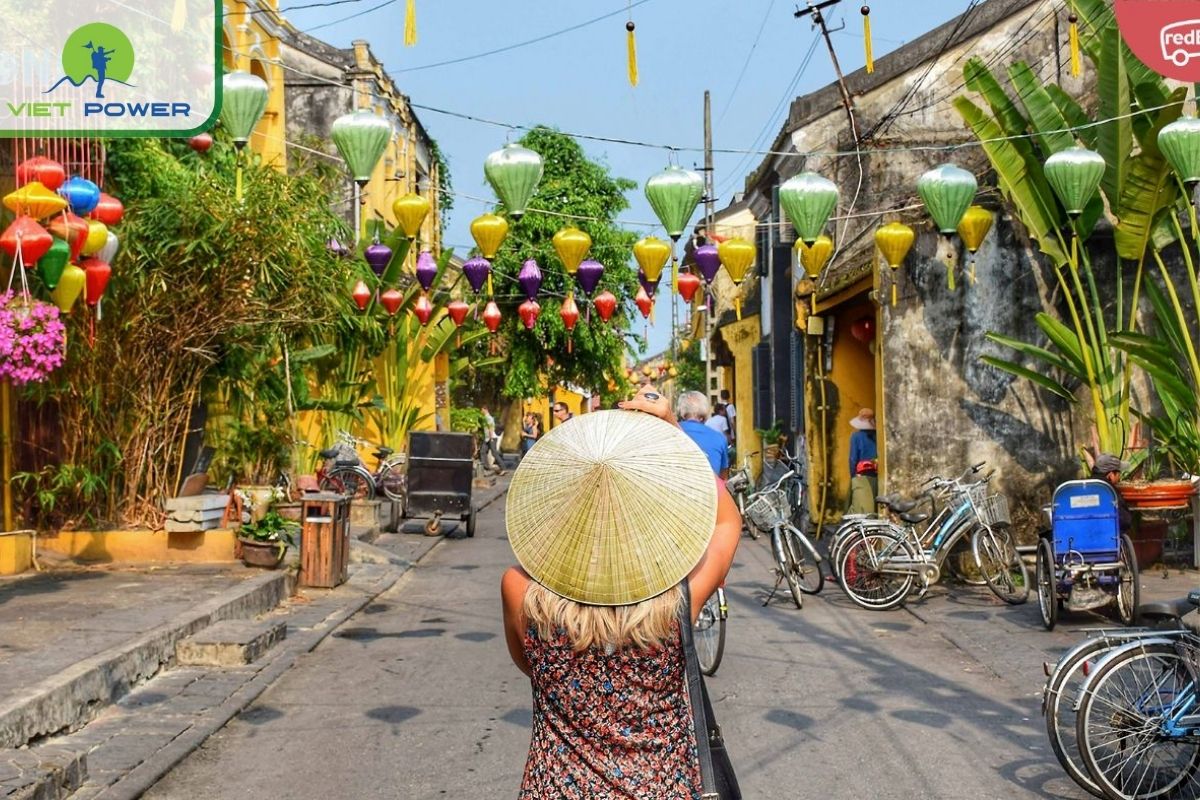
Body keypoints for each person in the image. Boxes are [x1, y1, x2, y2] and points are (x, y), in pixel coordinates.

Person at [501, 385, 742, 798]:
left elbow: (528, 665)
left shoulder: (519, 588)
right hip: (663, 788)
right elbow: (726, 522)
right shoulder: (677, 602)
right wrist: (671, 434)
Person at [677, 390, 729, 479]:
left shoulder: (671, 432)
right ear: (705, 412)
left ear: (682, 412)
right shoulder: (719, 438)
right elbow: (723, 477)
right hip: (710, 490)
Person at [1091, 452, 1133, 533]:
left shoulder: (1080, 489)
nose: (1119, 477)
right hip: (1107, 541)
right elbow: (1125, 521)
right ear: (1111, 475)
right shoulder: (1110, 491)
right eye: (1118, 473)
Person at [848, 408, 878, 515]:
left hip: (861, 477)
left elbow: (853, 459)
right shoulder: (878, 436)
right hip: (877, 475)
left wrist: (853, 476)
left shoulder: (856, 437)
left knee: (861, 509)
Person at [479, 406, 505, 476]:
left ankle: (503, 468)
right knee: (482, 451)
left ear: (485, 409)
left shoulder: (489, 418)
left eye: (482, 410)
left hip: (491, 438)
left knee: (494, 453)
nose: (481, 411)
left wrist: (491, 438)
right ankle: (486, 467)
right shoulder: (485, 418)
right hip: (487, 438)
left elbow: (491, 428)